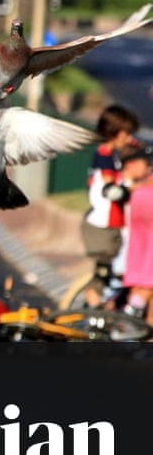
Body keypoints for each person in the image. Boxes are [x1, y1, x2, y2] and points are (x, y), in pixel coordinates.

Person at [82, 104, 141, 303]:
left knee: (114, 273)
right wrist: (134, 188)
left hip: (112, 223)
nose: (129, 139)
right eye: (127, 134)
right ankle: (94, 315)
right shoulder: (104, 157)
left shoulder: (110, 156)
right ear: (116, 132)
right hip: (102, 225)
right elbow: (112, 191)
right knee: (103, 275)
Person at [119, 144, 153, 323]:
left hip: (140, 200)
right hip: (148, 200)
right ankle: (130, 318)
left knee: (142, 263)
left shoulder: (138, 185)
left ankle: (135, 320)